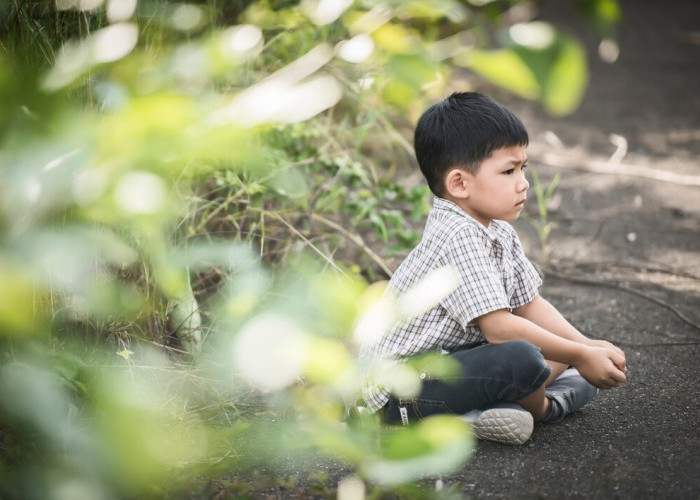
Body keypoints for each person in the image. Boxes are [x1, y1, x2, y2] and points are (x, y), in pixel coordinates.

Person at [358, 92, 627, 445]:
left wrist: (586, 346)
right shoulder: (457, 234)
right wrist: (578, 355)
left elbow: (529, 304)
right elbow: (499, 328)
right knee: (524, 356)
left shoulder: (496, 229)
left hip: (448, 363)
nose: (523, 182)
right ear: (459, 184)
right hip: (401, 392)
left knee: (565, 358)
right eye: (508, 170)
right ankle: (542, 408)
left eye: (523, 168)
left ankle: (494, 409)